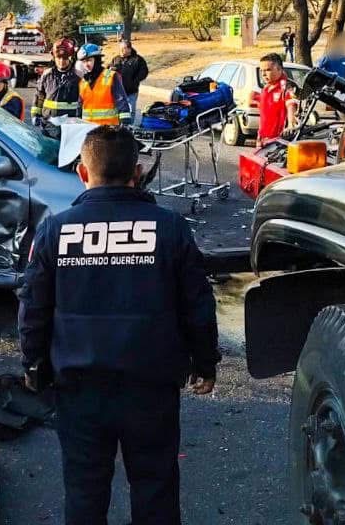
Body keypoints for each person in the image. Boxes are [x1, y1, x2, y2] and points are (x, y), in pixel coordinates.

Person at [18, 125, 219, 525]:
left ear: (82, 173)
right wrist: (205, 362)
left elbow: (34, 306)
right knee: (155, 489)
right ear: (139, 171)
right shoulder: (171, 228)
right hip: (151, 389)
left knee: (84, 492)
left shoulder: (56, 230)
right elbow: (197, 302)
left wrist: (34, 365)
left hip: (79, 389)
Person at [77, 43, 132, 126]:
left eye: (89, 60)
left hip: (108, 131)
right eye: (84, 61)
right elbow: (79, 107)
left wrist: (124, 124)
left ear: (97, 60)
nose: (86, 65)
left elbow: (122, 102)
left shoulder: (111, 76)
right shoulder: (83, 81)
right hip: (88, 131)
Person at [32, 38, 81, 125]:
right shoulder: (47, 74)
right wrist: (35, 115)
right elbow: (39, 96)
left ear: (70, 57)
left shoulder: (78, 76)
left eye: (65, 58)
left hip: (70, 127)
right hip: (48, 124)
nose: (62, 61)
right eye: (59, 57)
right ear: (54, 57)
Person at [257, 53, 298, 141]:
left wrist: (291, 125)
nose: (263, 74)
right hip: (263, 139)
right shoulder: (266, 88)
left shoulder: (286, 87)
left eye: (268, 70)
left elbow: (291, 106)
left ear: (279, 69)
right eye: (261, 70)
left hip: (279, 141)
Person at [109, 36, 149, 115]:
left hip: (131, 91)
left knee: (130, 111)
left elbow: (144, 72)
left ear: (129, 49)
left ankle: (130, 126)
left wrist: (134, 81)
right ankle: (119, 126)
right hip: (118, 91)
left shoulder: (138, 59)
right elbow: (108, 70)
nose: (121, 50)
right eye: (120, 48)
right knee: (117, 110)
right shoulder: (116, 59)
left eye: (123, 48)